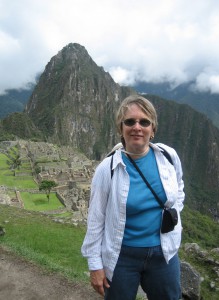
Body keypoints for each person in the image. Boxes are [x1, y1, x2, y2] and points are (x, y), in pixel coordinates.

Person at [81, 95, 185, 300]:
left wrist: (173, 212)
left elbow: (179, 187)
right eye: (130, 122)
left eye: (144, 122)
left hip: (164, 252)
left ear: (152, 129)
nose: (137, 127)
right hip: (122, 256)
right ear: (121, 128)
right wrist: (95, 265)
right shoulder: (108, 169)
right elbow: (95, 219)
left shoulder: (168, 157)